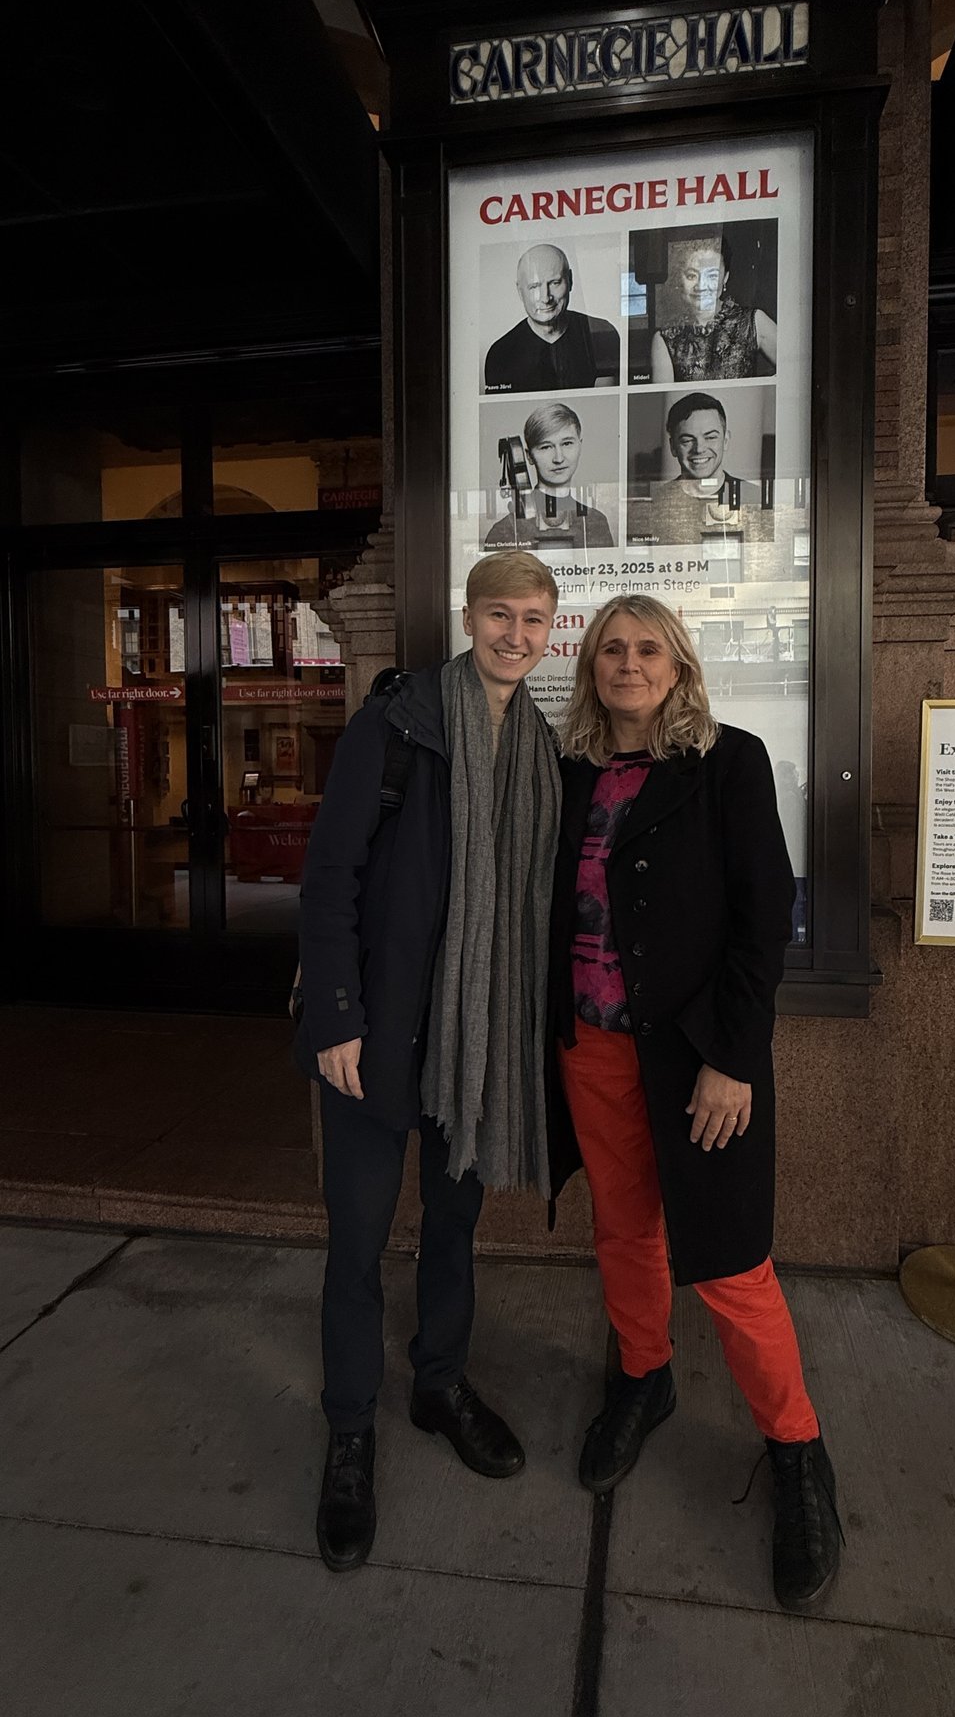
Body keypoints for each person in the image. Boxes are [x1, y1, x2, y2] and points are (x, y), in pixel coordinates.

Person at [547, 596, 841, 1612]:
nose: (628, 663)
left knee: (729, 1259)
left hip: (696, 1059)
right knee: (624, 1230)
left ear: (678, 666)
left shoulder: (729, 761)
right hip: (592, 1048)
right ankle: (644, 1375)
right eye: (611, 648)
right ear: (590, 667)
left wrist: (732, 1057)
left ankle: (797, 1448)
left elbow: (766, 922)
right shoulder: (570, 771)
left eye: (648, 648)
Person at [298, 550, 562, 1573]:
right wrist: (335, 1017)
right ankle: (351, 1427)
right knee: (358, 1242)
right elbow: (329, 879)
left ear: (551, 628)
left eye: (534, 618)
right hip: (375, 1038)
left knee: (453, 1227)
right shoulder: (400, 724)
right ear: (467, 616)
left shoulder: (541, 747)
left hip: (475, 1043)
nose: (515, 634)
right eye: (499, 613)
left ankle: (439, 1381)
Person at [629, 391, 765, 546]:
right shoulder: (652, 505)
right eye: (687, 440)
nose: (699, 449)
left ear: (725, 440)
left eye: (711, 437)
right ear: (673, 447)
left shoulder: (756, 499)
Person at [485, 244, 620, 392]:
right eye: (534, 287)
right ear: (520, 291)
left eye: (555, 283)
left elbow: (604, 399)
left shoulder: (602, 334)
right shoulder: (500, 354)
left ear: (570, 280)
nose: (545, 297)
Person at [484, 401, 615, 550]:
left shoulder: (596, 523)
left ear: (580, 445)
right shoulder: (504, 531)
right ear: (529, 456)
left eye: (567, 444)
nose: (558, 458)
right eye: (546, 447)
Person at [650, 231, 777, 383]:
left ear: (725, 278)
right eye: (691, 276)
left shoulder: (754, 321)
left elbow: (795, 367)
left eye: (711, 275)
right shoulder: (665, 339)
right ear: (680, 280)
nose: (701, 286)